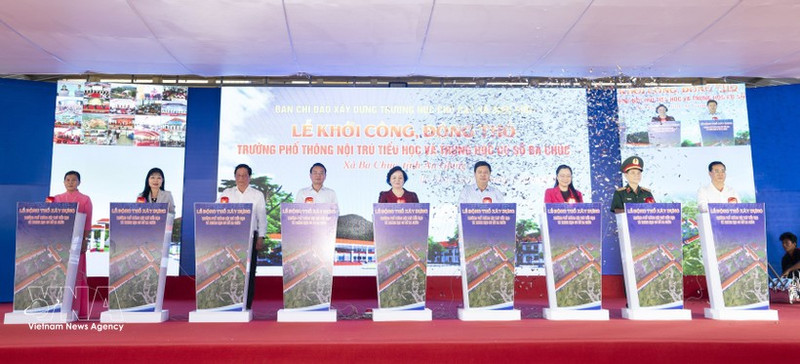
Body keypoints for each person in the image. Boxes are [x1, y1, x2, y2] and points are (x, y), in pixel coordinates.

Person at [219, 164, 268, 310]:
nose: (241, 178)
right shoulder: (227, 193)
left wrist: (261, 237)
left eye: (244, 175)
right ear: (235, 177)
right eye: (238, 175)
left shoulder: (257, 195)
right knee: (228, 270)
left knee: (249, 272)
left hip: (250, 237)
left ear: (249, 177)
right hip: (229, 238)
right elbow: (215, 210)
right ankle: (227, 303)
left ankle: (246, 306)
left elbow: (262, 218)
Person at [53, 171, 92, 319]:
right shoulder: (56, 199)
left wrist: (85, 240)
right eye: (67, 180)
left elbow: (88, 222)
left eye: (74, 180)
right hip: (60, 241)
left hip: (77, 243)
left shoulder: (85, 199)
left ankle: (77, 309)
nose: (70, 182)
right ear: (64, 182)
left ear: (79, 182)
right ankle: (57, 307)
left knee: (76, 275)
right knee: (60, 272)